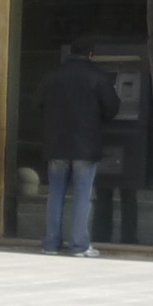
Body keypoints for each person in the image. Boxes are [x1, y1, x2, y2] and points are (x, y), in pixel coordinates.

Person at [36, 34, 119, 257]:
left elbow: (38, 104)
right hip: (85, 146)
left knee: (55, 193)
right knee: (83, 194)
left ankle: (51, 244)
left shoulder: (53, 76)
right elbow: (112, 109)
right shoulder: (98, 77)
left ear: (70, 53)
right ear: (90, 54)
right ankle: (79, 245)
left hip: (56, 145)